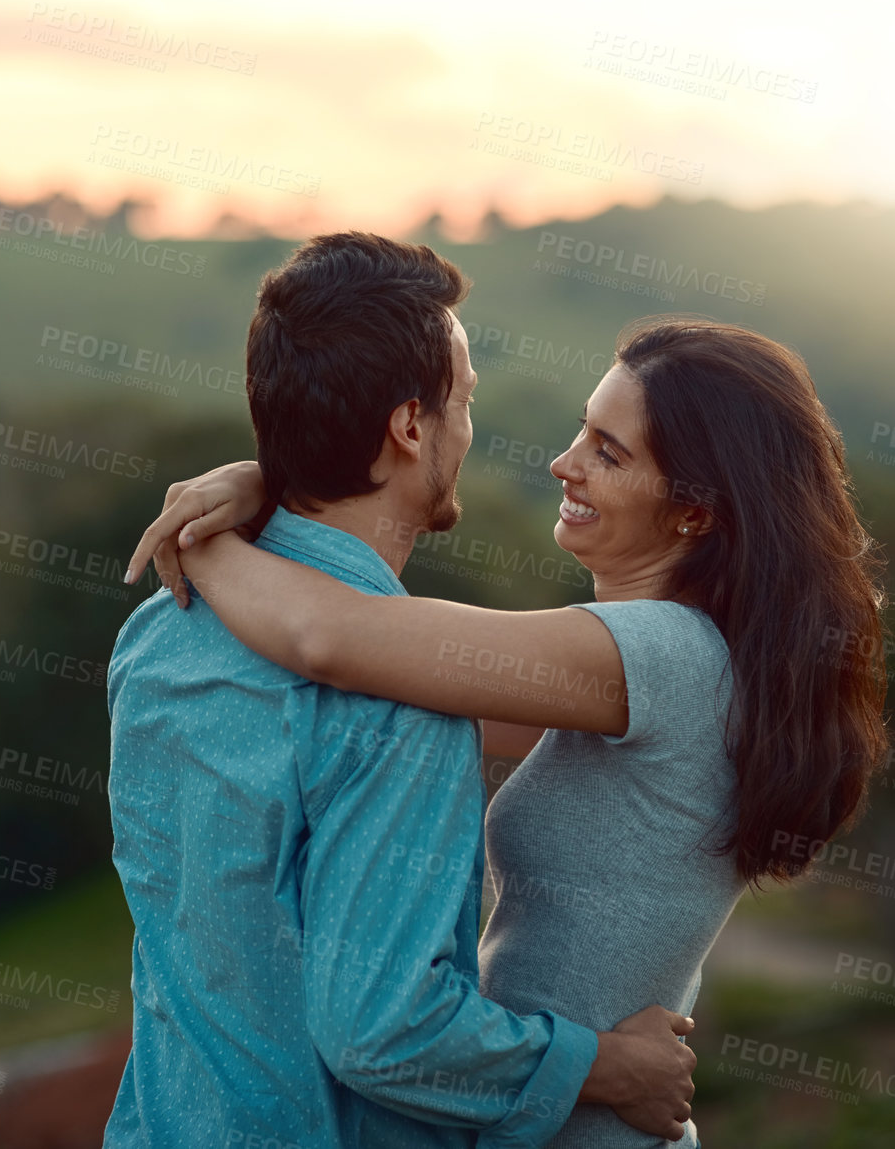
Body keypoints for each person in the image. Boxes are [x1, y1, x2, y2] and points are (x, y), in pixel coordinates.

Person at [128, 312, 892, 1147]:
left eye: (609, 451)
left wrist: (204, 541)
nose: (564, 462)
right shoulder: (656, 669)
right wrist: (264, 487)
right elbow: (395, 685)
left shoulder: (662, 655)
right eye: (581, 431)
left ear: (695, 511)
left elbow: (334, 640)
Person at [103, 231, 698, 1149]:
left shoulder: (156, 634)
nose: (474, 431)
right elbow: (383, 1031)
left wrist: (257, 492)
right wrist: (601, 1066)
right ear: (411, 425)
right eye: (462, 403)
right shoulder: (399, 701)